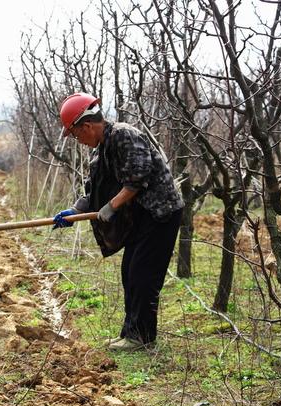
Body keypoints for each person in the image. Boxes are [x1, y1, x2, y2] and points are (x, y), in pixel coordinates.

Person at [53, 92, 184, 351]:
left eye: (77, 135)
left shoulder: (125, 135)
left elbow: (138, 178)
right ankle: (130, 333)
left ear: (87, 126)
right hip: (140, 217)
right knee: (130, 273)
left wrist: (111, 207)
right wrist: (74, 210)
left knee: (143, 275)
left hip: (161, 213)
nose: (79, 141)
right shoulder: (101, 149)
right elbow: (94, 190)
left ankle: (142, 338)